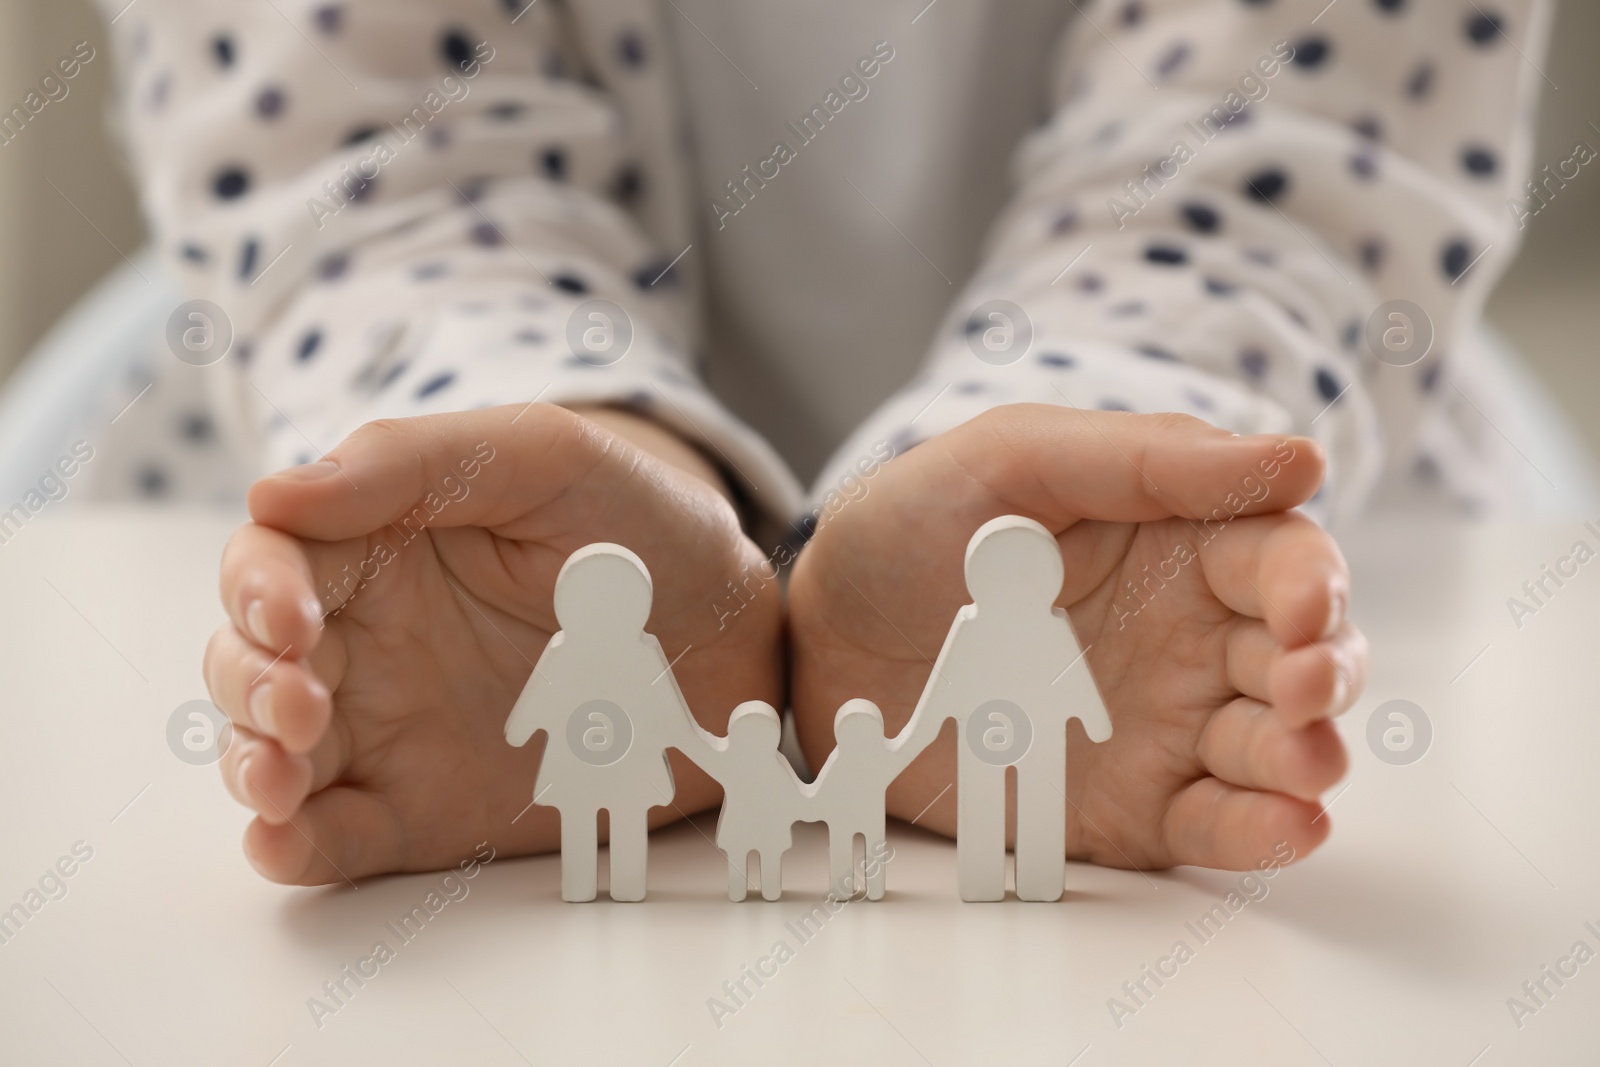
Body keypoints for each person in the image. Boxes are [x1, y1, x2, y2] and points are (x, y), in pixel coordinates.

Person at [165, 0, 1553, 885]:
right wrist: (546, 447)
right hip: (460, 560)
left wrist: (1101, 448)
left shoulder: (1055, 606)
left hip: (1206, 474)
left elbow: (1286, 129)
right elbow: (369, 153)